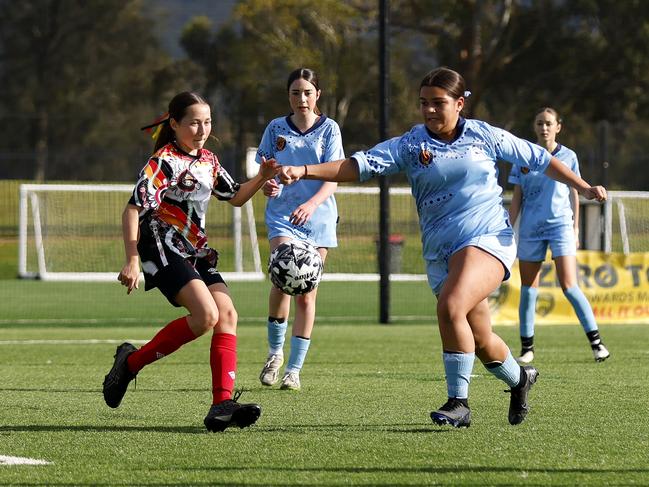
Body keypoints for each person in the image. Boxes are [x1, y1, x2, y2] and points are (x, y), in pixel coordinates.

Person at [276, 67, 607, 428]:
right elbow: (358, 165)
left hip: (488, 239)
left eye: (439, 103)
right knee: (480, 340)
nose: (430, 110)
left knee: (451, 306)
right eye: (424, 104)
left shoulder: (484, 135)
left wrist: (585, 187)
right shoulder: (411, 144)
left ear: (460, 103)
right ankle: (520, 379)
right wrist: (304, 170)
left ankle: (458, 404)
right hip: (440, 252)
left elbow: (540, 160)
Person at [102, 91, 278, 432]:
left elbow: (236, 196)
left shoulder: (209, 161)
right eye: (194, 122)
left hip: (194, 249)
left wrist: (262, 177)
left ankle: (219, 403)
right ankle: (133, 365)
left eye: (207, 122)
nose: (202, 129)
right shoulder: (163, 161)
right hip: (160, 243)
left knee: (226, 314)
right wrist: (132, 259)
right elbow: (133, 208)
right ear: (174, 124)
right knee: (206, 315)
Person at [256, 68, 344, 391]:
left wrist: (311, 205)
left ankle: (294, 369)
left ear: (317, 94)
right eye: (296, 93)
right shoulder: (276, 129)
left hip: (318, 219)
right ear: (288, 96)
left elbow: (333, 176)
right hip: (282, 216)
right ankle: (274, 354)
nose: (301, 99)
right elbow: (266, 171)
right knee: (282, 280)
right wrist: (268, 185)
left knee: (306, 293)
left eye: (307, 92)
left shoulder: (329, 130)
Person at [508, 107, 610, 364]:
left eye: (549, 123)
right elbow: (517, 196)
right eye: (540, 123)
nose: (544, 127)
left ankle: (596, 343)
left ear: (558, 127)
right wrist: (509, 227)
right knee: (529, 288)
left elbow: (574, 188)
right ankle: (527, 348)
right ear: (535, 127)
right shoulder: (522, 155)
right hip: (531, 228)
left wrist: (575, 227)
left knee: (569, 285)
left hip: (560, 225)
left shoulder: (568, 156)